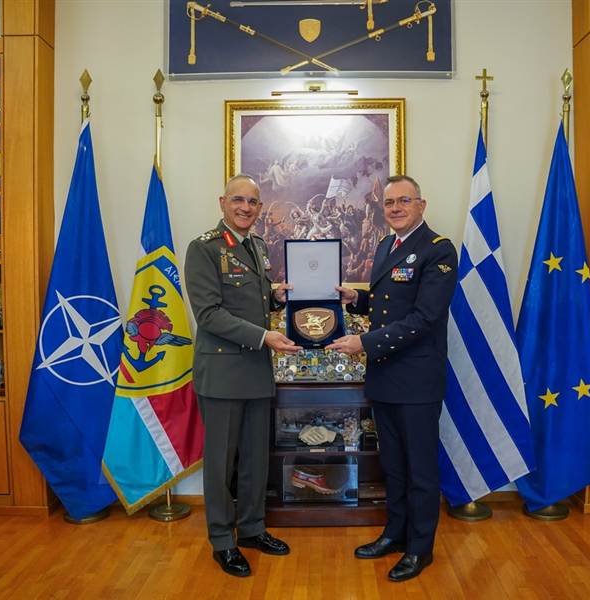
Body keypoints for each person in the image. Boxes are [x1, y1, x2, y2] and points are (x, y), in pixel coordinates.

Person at [327, 174, 457, 582]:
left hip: (417, 379)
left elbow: (424, 318)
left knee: (420, 469)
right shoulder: (387, 245)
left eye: (404, 200)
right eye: (389, 203)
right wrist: (357, 299)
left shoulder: (438, 250)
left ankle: (420, 548)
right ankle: (395, 534)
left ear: (421, 205)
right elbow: (388, 305)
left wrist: (363, 342)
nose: (396, 208)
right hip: (385, 375)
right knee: (394, 466)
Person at [184, 174, 302, 578]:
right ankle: (222, 540)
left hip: (255, 369)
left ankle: (252, 528)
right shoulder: (204, 248)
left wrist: (275, 297)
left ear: (259, 207)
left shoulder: (257, 246)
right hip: (222, 372)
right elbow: (209, 314)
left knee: (255, 458)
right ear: (223, 202)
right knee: (221, 463)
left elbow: (250, 301)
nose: (245, 208)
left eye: (253, 202)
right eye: (238, 200)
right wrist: (265, 336)